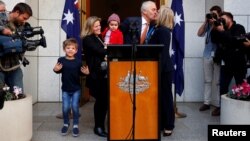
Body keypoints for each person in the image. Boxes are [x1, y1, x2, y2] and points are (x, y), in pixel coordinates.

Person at [211, 11, 247, 116]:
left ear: (230, 19)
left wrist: (222, 31)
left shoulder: (239, 28)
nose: (221, 21)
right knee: (223, 87)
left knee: (240, 86)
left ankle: (241, 108)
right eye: (220, 19)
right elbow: (214, 39)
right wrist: (215, 26)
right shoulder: (221, 30)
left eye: (223, 19)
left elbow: (234, 41)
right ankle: (222, 108)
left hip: (239, 63)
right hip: (226, 64)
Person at [53, 38, 89, 137]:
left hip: (76, 89)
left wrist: (86, 73)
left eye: (73, 48)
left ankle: (76, 125)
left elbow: (82, 73)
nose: (70, 50)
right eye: (68, 48)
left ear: (76, 50)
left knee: (74, 107)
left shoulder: (78, 61)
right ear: (64, 49)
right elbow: (58, 70)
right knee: (65, 108)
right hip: (65, 89)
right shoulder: (61, 60)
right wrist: (55, 69)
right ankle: (66, 123)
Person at [148, 5, 175, 136]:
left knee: (166, 97)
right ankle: (163, 123)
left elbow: (163, 53)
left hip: (163, 69)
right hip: (162, 68)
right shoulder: (159, 29)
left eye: (158, 12)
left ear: (163, 15)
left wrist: (157, 71)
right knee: (162, 97)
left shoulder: (163, 31)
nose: (156, 13)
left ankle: (169, 125)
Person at [81, 16, 108, 137]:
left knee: (103, 101)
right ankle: (98, 127)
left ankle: (101, 125)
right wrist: (107, 48)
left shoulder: (98, 37)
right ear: (90, 27)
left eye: (99, 25)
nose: (99, 27)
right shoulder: (88, 39)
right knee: (101, 101)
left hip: (103, 74)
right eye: (96, 26)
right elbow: (102, 52)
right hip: (96, 75)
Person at [0, 2, 32, 92]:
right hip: (0, 66)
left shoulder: (21, 25)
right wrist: (2, 30)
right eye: (24, 18)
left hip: (14, 66)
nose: (24, 21)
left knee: (19, 94)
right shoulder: (2, 17)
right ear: (17, 12)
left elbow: (21, 43)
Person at [197, 6, 222, 116]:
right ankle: (206, 102)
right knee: (207, 80)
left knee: (217, 81)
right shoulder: (208, 25)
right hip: (207, 54)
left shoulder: (221, 24)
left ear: (219, 15)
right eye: (211, 14)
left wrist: (216, 22)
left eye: (214, 14)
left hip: (217, 55)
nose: (212, 16)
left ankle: (217, 104)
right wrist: (206, 21)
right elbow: (199, 33)